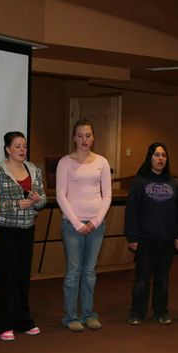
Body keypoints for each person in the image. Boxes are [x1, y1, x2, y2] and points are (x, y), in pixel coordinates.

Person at [56, 119, 112, 332]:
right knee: (73, 272)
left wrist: (96, 221)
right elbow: (61, 195)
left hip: (97, 225)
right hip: (72, 225)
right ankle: (71, 317)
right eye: (79, 135)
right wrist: (78, 223)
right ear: (74, 138)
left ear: (93, 137)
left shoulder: (102, 162)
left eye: (87, 135)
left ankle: (89, 314)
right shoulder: (65, 162)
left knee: (89, 272)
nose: (84, 140)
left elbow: (107, 194)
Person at [0, 131, 47, 341]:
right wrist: (17, 204)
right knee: (6, 279)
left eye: (24, 146)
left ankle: (23, 320)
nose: (22, 150)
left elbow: (43, 199)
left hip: (27, 230)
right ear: (7, 148)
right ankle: (4, 324)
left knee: (23, 279)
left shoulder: (33, 169)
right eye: (17, 146)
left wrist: (36, 199)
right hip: (5, 231)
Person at [124, 142, 178, 325]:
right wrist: (132, 236)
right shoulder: (139, 182)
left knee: (162, 280)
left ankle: (161, 311)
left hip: (166, 240)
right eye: (157, 155)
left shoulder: (173, 184)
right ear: (149, 158)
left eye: (163, 155)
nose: (160, 159)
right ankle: (137, 312)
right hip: (144, 239)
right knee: (142, 279)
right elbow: (132, 211)